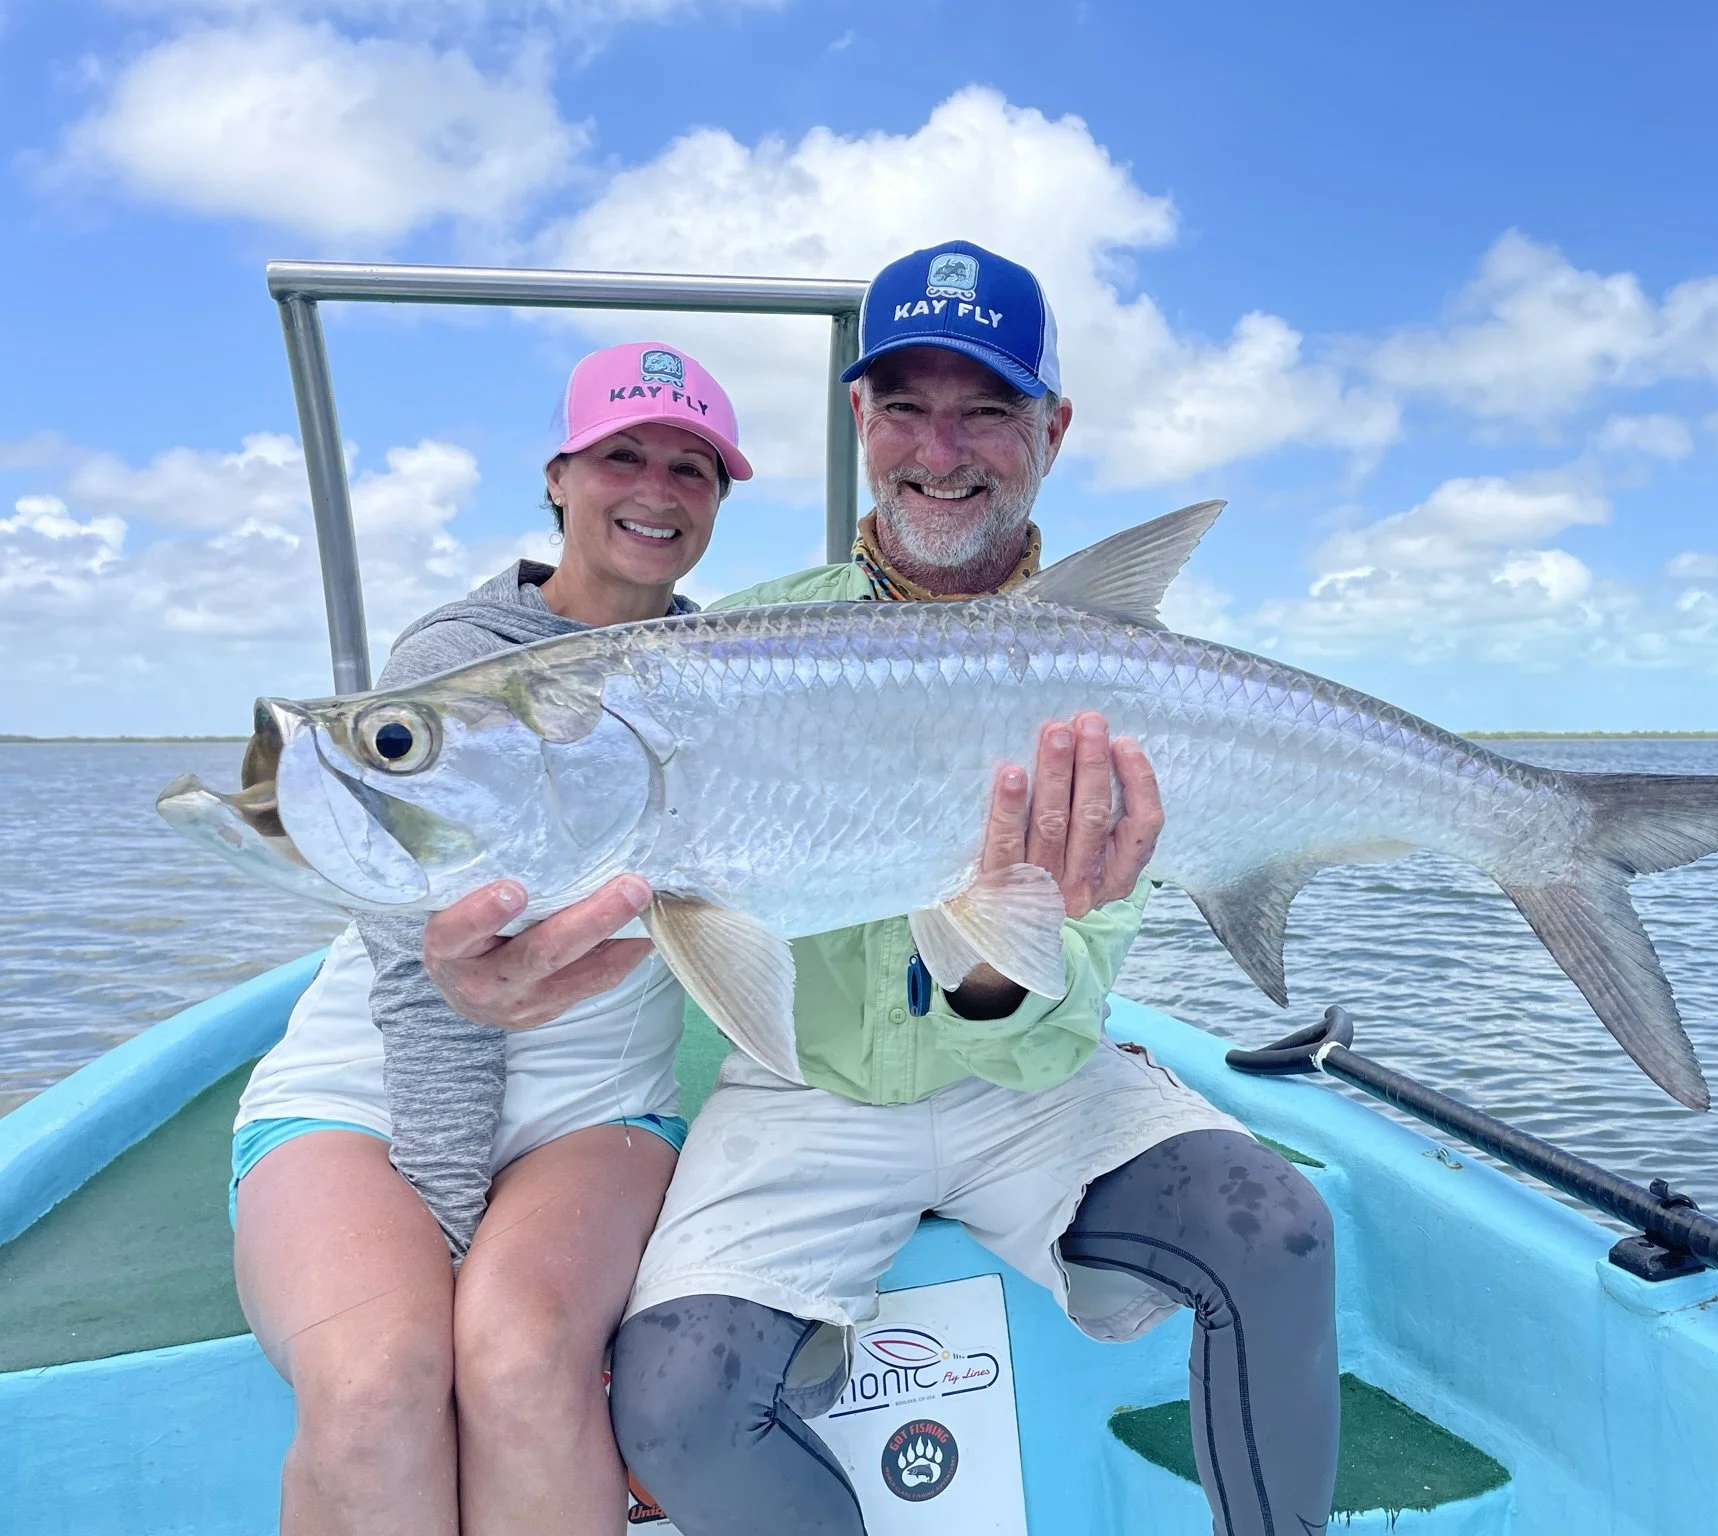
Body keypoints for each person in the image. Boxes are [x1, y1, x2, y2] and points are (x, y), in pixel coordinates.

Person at [426, 242, 1341, 1535]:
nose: (940, 446)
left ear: (1053, 430)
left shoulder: (1124, 687)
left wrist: (1003, 930)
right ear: (861, 416)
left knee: (1280, 1233)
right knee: (678, 1405)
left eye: (986, 409)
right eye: (906, 404)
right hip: (810, 1090)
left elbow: (1053, 1004)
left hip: (1035, 1083)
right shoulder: (730, 646)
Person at [229, 340, 749, 1536]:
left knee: (517, 1368)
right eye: (623, 454)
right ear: (558, 475)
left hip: (595, 1106)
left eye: (695, 467)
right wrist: (447, 1224)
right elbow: (425, 989)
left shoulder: (730, 674)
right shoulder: (443, 675)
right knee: (376, 1385)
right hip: (372, 1094)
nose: (657, 490)